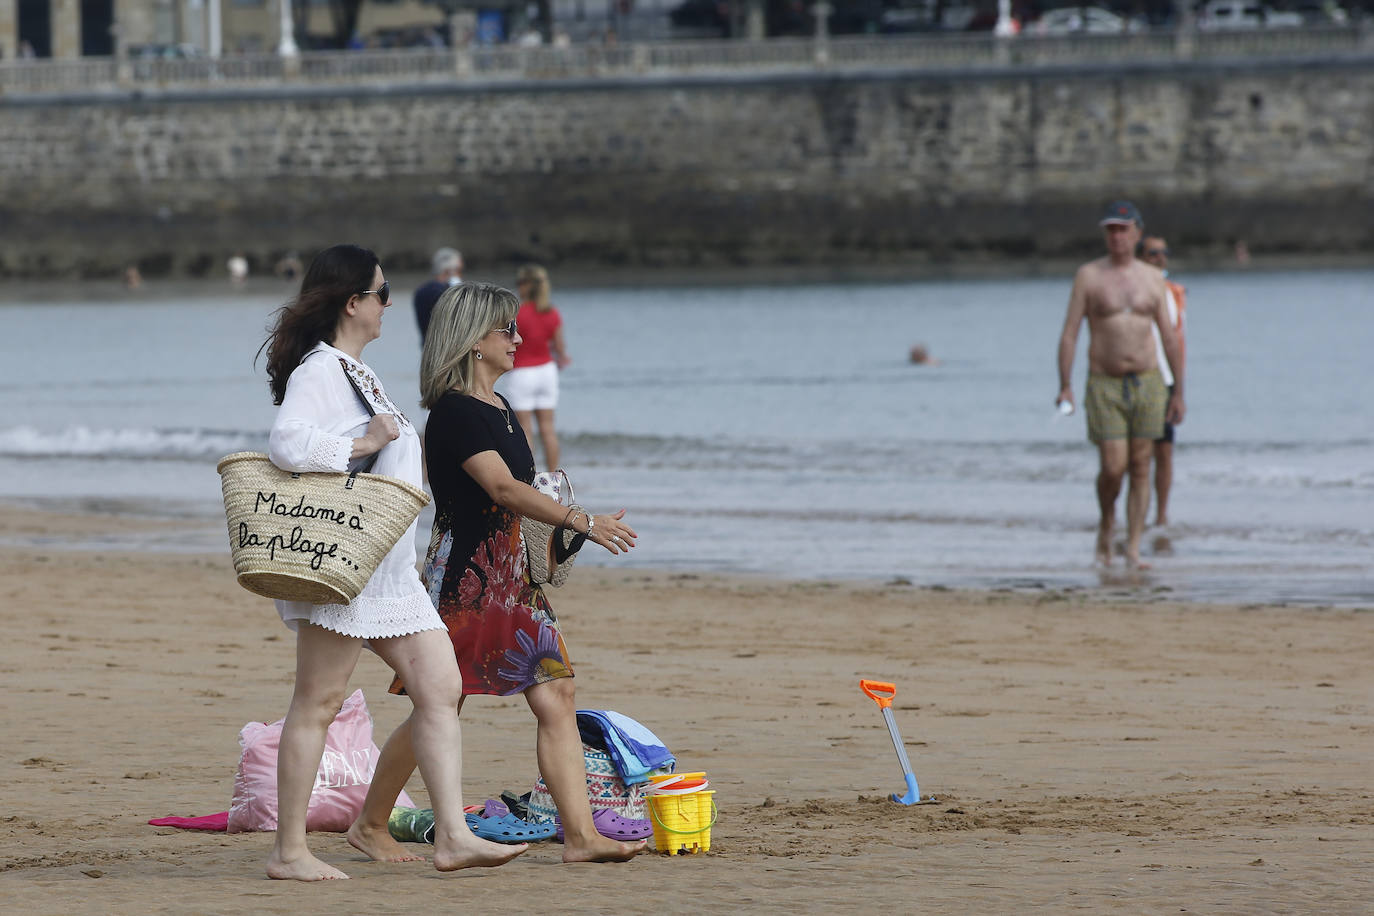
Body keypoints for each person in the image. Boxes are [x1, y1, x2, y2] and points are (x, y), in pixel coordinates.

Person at [352, 281, 646, 864]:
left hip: (515, 577)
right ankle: (369, 823)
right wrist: (581, 520)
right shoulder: (455, 413)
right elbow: (502, 488)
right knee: (441, 704)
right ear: (471, 342)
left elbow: (521, 492)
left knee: (557, 692)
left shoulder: (501, 407)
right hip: (467, 579)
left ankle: (582, 837)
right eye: (505, 330)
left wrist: (560, 531)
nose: (519, 338)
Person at [258, 245, 526, 880]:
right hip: (344, 566)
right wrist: (365, 442)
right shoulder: (321, 369)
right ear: (353, 302)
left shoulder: (356, 369)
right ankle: (289, 852)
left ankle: (453, 836)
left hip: (389, 570)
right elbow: (287, 442)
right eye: (381, 293)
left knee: (441, 688)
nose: (388, 304)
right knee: (317, 702)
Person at [1056, 202, 1185, 570]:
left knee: (1142, 464)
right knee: (1114, 466)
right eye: (1111, 230)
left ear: (1137, 234)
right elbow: (1070, 334)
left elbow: (1169, 337)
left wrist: (1178, 391)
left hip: (1147, 379)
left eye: (1123, 229)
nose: (1116, 236)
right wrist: (1065, 385)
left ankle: (1131, 547)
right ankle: (1106, 522)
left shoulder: (1152, 279)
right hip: (1105, 382)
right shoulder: (1089, 276)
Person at [502, 264, 569, 471]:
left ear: (526, 286)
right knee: (548, 429)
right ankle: (553, 477)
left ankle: (529, 476)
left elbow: (508, 342)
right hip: (547, 371)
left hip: (522, 372)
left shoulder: (518, 313)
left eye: (519, 283)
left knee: (525, 430)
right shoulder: (552, 313)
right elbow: (560, 348)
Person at [1140, 235, 1187, 529]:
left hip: (1166, 379)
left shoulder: (1173, 292)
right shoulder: (1132, 289)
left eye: (1163, 252)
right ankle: (1138, 515)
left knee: (1165, 451)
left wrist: (1180, 390)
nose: (1160, 258)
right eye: (1153, 253)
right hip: (1140, 377)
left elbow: (1177, 340)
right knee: (1138, 456)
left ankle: (1161, 516)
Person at [413, 247, 464, 342]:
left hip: (429, 348)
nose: (461, 275)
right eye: (459, 270)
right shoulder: (440, 292)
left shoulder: (423, 290)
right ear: (450, 270)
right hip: (444, 350)